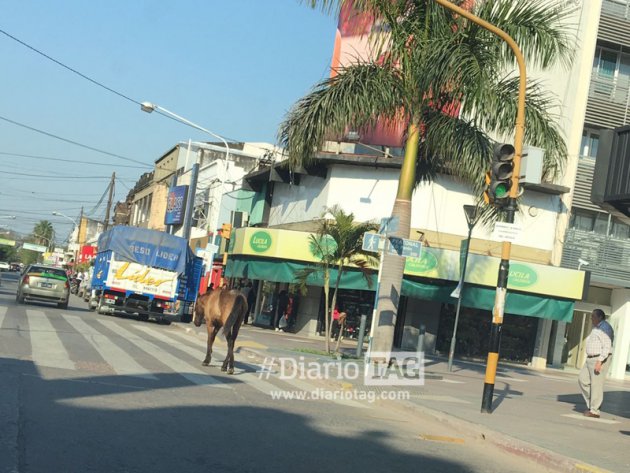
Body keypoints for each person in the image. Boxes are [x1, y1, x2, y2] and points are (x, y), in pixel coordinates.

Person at [578, 308, 614, 418]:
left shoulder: (605, 328)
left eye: (593, 316)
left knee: (596, 385)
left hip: (599, 359)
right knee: (582, 380)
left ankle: (595, 410)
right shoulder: (595, 328)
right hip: (590, 359)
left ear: (599, 317)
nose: (591, 318)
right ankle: (592, 404)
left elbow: (607, 346)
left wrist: (600, 361)